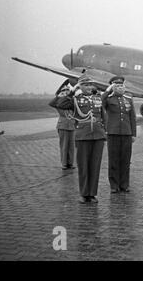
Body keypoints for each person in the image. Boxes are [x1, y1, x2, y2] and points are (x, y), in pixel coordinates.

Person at [54, 75, 107, 204]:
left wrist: (105, 132)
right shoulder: (75, 99)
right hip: (83, 135)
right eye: (86, 85)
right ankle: (84, 194)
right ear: (80, 86)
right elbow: (60, 103)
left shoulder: (97, 98)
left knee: (95, 166)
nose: (89, 87)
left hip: (98, 135)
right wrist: (72, 91)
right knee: (83, 165)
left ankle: (92, 194)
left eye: (91, 85)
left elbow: (103, 116)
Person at [102, 76, 137, 193]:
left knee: (126, 160)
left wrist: (133, 134)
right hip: (113, 133)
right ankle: (114, 185)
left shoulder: (128, 98)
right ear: (112, 87)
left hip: (126, 133)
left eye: (121, 85)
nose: (119, 87)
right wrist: (108, 90)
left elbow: (132, 117)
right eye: (116, 86)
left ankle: (124, 184)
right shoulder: (108, 99)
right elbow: (100, 103)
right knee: (113, 160)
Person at [49, 82, 76, 170]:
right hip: (63, 125)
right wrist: (58, 96)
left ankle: (70, 163)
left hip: (71, 125)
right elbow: (51, 103)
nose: (66, 91)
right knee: (64, 145)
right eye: (64, 90)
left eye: (67, 90)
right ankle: (64, 164)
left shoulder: (72, 99)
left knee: (71, 146)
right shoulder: (59, 101)